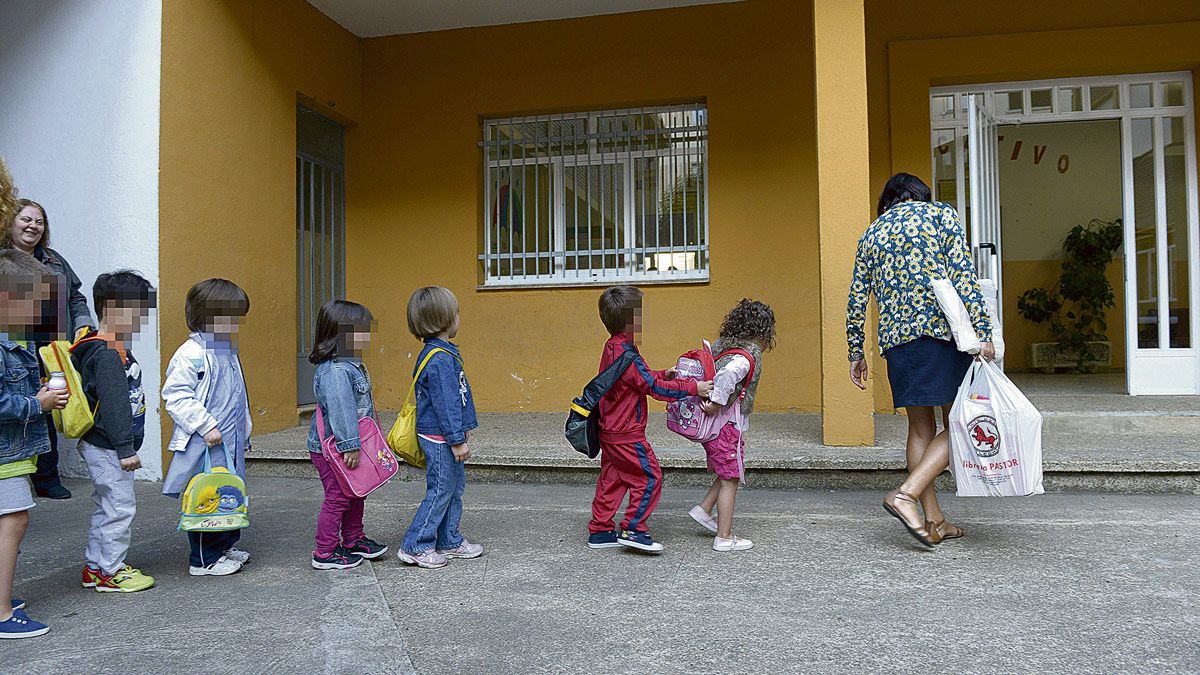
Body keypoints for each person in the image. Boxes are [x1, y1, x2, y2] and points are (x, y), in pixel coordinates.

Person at [845, 173, 995, 547]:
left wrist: (855, 352)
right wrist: (984, 331)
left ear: (888, 201)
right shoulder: (939, 214)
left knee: (919, 430)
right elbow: (963, 275)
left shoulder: (871, 233)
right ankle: (905, 494)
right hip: (940, 335)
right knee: (961, 422)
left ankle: (934, 521)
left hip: (897, 344)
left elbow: (856, 299)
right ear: (920, 196)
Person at [587, 285, 712, 554]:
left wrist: (660, 373)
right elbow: (653, 389)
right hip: (627, 433)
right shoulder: (627, 353)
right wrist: (694, 388)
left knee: (614, 479)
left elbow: (636, 380)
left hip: (609, 430)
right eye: (639, 314)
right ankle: (634, 528)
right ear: (631, 320)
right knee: (650, 477)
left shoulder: (613, 347)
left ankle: (600, 530)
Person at [3, 199, 95, 499]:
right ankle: (14, 473)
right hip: (13, 341)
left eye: (39, 222)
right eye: (25, 219)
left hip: (51, 343)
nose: (32, 226)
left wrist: (82, 323)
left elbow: (76, 296)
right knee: (16, 401)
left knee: (50, 400)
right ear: (10, 222)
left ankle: (46, 476)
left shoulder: (55, 260)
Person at [162, 279, 255, 576]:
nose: (234, 323)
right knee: (206, 497)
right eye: (228, 316)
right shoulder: (191, 353)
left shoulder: (226, 350)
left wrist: (245, 430)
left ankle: (225, 545)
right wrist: (205, 424)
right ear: (207, 315)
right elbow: (175, 395)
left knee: (230, 493)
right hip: (208, 441)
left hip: (229, 440)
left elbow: (238, 395)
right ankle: (204, 558)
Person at [73, 270, 156, 592]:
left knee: (107, 505)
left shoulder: (109, 346)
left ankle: (95, 567)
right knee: (119, 508)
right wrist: (125, 448)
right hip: (109, 446)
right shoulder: (107, 353)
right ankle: (110, 570)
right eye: (138, 309)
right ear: (112, 307)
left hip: (106, 444)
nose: (141, 317)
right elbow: (114, 404)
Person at [0, 249, 66, 637]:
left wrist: (37, 394)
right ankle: (3, 613)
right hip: (4, 455)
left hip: (12, 451)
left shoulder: (14, 341)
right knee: (14, 520)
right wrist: (35, 403)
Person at [398, 287, 481, 569]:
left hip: (442, 434)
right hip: (439, 437)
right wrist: (456, 439)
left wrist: (460, 430)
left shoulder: (440, 353)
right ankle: (416, 545)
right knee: (441, 489)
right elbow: (446, 403)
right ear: (444, 319)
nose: (459, 318)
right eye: (456, 313)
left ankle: (448, 539)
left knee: (452, 488)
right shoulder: (440, 358)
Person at [305, 299, 389, 570]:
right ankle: (325, 552)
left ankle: (353, 539)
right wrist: (350, 446)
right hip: (335, 449)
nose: (366, 335)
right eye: (361, 330)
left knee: (357, 492)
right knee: (338, 497)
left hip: (348, 446)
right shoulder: (337, 370)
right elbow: (341, 410)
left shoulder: (349, 364)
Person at [688, 299, 776, 552]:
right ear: (762, 332)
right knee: (731, 478)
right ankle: (724, 537)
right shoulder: (746, 356)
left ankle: (704, 509)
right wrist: (717, 402)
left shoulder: (722, 347)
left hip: (716, 427)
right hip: (726, 425)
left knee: (728, 470)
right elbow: (727, 377)